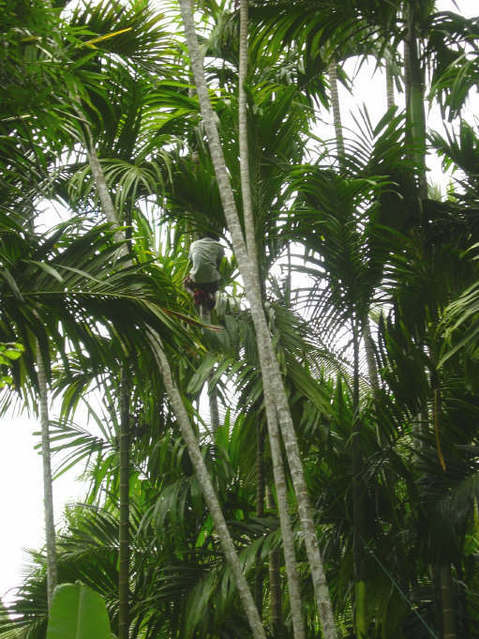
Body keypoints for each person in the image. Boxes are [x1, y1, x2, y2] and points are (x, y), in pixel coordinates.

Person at [184, 233, 224, 310]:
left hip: (196, 279)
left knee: (186, 283)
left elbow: (192, 262)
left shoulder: (194, 244)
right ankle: (212, 297)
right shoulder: (219, 245)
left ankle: (194, 294)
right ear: (216, 239)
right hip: (212, 281)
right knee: (214, 286)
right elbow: (218, 265)